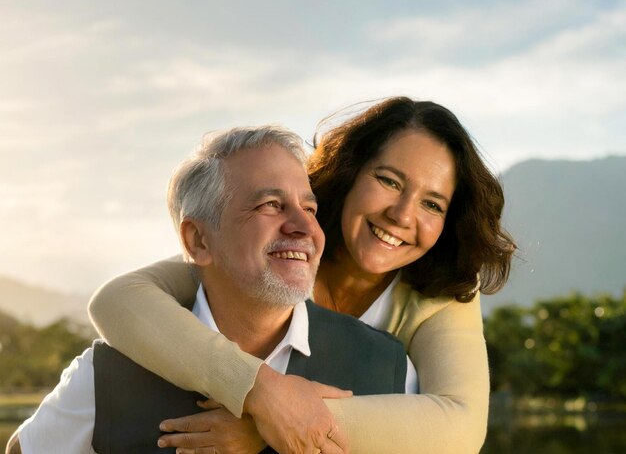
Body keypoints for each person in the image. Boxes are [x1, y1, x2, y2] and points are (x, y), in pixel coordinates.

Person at [88, 97, 515, 454]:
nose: (402, 215)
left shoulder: (443, 289)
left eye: (433, 205)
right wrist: (258, 391)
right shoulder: (285, 249)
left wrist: (270, 423)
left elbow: (459, 427)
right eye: (388, 181)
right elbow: (118, 301)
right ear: (350, 172)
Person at [6, 126, 415, 454]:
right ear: (199, 241)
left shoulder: (387, 364)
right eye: (270, 205)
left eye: (309, 209)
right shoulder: (106, 373)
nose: (305, 228)